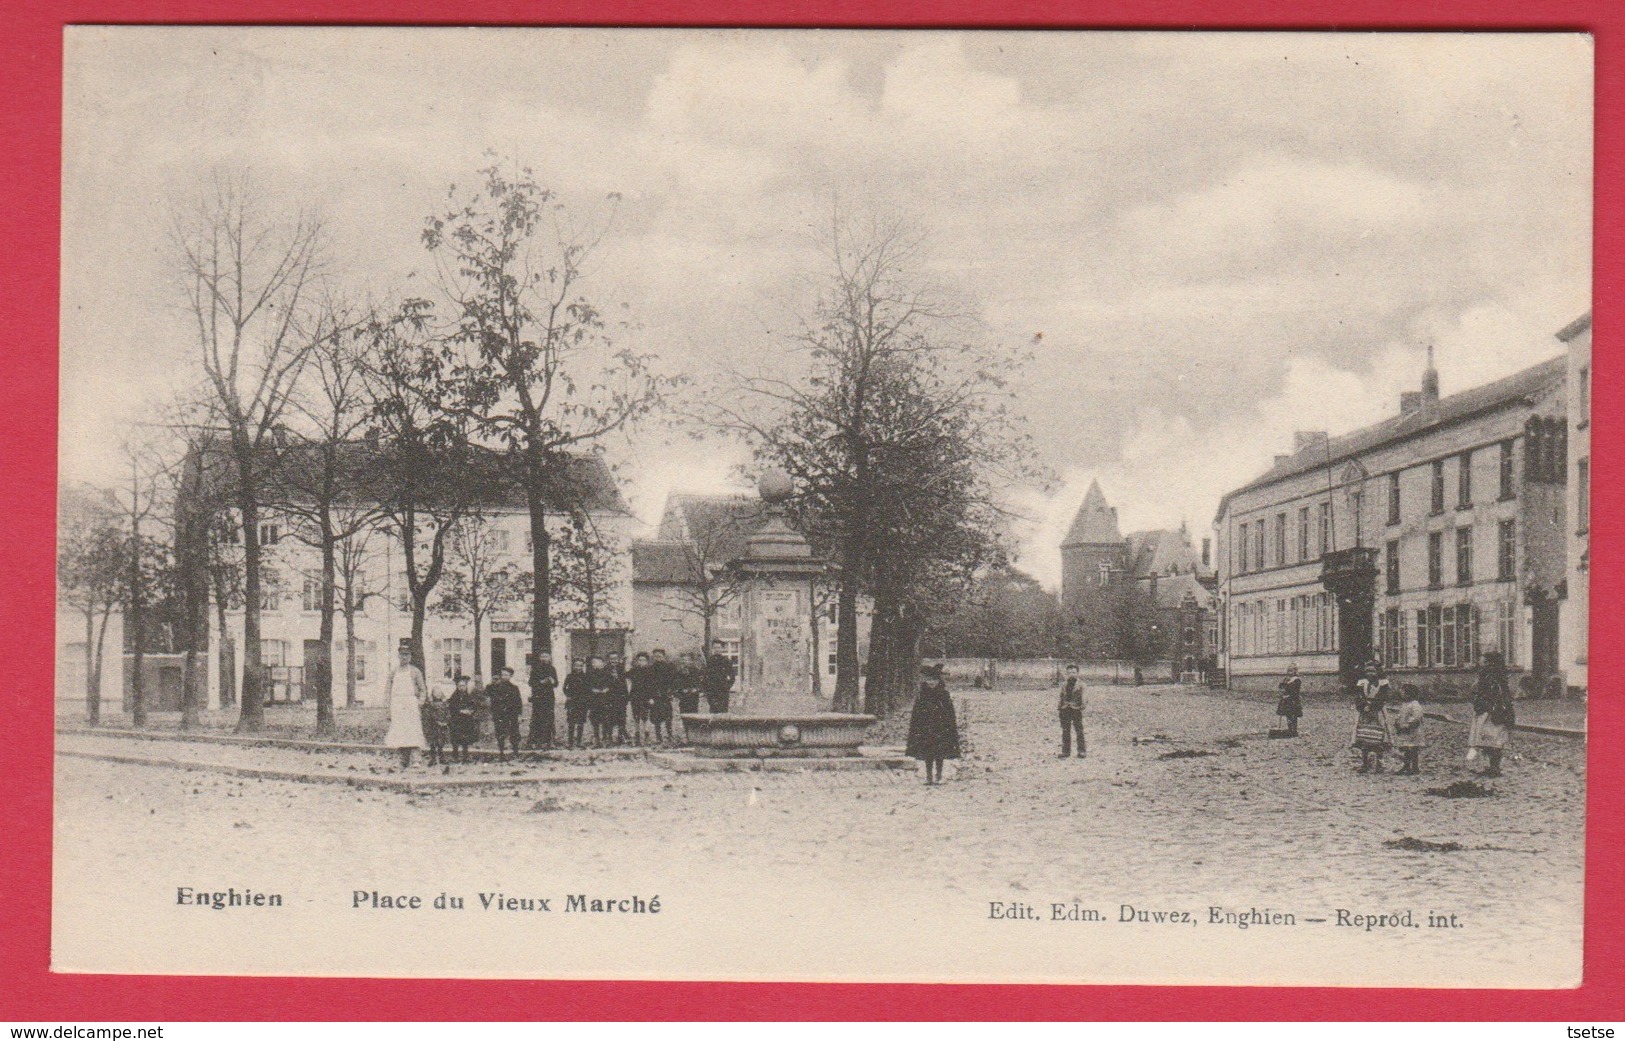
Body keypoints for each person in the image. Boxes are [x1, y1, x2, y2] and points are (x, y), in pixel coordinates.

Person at [906, 662, 961, 785]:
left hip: (940, 728)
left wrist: (949, 727)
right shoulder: (922, 695)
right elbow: (916, 713)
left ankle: (939, 774)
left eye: (934, 680)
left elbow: (949, 713)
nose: (931, 683)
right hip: (926, 728)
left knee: (940, 753)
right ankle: (929, 775)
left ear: (938, 681)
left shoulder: (944, 694)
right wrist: (917, 727)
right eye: (929, 680)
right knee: (928, 753)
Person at [1470, 651, 1515, 778]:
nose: (1481, 664)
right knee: (1486, 741)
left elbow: (1500, 697)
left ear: (1491, 664)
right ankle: (1490, 767)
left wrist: (1493, 709)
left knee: (1494, 741)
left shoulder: (1495, 679)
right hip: (1485, 712)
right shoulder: (1485, 676)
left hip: (1493, 713)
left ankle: (1495, 767)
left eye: (1484, 662)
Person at [383, 644, 427, 768]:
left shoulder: (415, 671)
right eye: (402, 654)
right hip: (397, 704)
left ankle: (416, 759)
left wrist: (420, 702)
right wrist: (388, 706)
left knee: (413, 730)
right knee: (400, 732)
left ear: (410, 656)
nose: (404, 657)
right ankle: (402, 760)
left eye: (407, 654)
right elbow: (388, 690)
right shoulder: (394, 672)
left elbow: (423, 690)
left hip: (411, 704)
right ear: (398, 655)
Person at [1350, 660, 1393, 774]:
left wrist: (1372, 706)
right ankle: (1364, 762)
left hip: (1377, 711)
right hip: (1364, 712)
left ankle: (1379, 762)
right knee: (1364, 736)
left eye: (1373, 671)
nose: (1370, 673)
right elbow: (1358, 695)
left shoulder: (1383, 683)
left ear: (1378, 671)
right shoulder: (1361, 682)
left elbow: (1383, 697)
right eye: (1367, 671)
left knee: (1378, 737)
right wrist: (1363, 705)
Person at [486, 666, 524, 762]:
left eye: (506, 675)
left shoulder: (514, 688)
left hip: (512, 714)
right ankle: (501, 753)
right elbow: (487, 693)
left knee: (514, 733)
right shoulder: (495, 686)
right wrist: (491, 683)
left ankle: (515, 751)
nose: (504, 677)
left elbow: (518, 702)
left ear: (510, 676)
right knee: (500, 733)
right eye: (502, 675)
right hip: (499, 714)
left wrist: (519, 714)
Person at [526, 652, 558, 749]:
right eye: (543, 656)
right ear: (540, 658)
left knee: (549, 718)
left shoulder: (552, 669)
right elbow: (531, 682)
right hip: (538, 697)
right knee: (537, 718)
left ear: (550, 657)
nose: (545, 658)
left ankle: (548, 741)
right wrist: (541, 682)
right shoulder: (535, 669)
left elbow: (556, 683)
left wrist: (553, 681)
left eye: (547, 656)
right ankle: (535, 741)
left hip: (549, 697)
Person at [1390, 694, 1427, 775]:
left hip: (1413, 730)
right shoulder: (1405, 704)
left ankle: (1414, 767)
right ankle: (1406, 766)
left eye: (1404, 692)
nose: (1403, 694)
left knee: (1413, 749)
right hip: (1405, 730)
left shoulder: (1415, 704)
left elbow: (1416, 717)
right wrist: (1397, 722)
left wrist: (1408, 725)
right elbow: (1400, 715)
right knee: (1406, 748)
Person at [446, 674, 480, 764]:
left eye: (463, 686)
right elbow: (451, 707)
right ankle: (455, 756)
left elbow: (474, 705)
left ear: (466, 686)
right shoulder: (454, 696)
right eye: (460, 686)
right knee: (455, 739)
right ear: (457, 686)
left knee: (465, 739)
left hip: (466, 721)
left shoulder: (468, 696)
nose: (461, 688)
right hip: (456, 721)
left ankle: (465, 756)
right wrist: (460, 711)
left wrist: (471, 711)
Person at [625, 652, 657, 747]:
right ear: (637, 661)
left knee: (645, 716)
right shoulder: (634, 670)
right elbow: (625, 675)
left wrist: (652, 697)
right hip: (635, 697)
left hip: (646, 697)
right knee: (636, 716)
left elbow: (653, 686)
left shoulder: (651, 671)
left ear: (647, 661)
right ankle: (637, 735)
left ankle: (647, 736)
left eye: (643, 660)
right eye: (639, 660)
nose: (641, 662)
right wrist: (625, 663)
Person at [585, 655, 618, 747]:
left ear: (603, 664)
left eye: (600, 662)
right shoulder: (589, 674)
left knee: (606, 719)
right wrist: (592, 690)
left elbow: (613, 685)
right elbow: (586, 686)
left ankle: (606, 739)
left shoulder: (607, 674)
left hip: (605, 699)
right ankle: (597, 739)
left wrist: (607, 689)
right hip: (594, 700)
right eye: (595, 662)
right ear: (592, 665)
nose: (598, 664)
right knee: (595, 720)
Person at [1057, 663, 1086, 758]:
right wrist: (1060, 708)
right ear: (1066, 674)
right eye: (1069, 673)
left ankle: (1081, 751)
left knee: (1079, 731)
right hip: (1065, 709)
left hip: (1076, 710)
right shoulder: (1064, 684)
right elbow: (1061, 697)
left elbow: (1084, 698)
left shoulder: (1081, 685)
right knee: (1065, 731)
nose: (1071, 674)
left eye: (1074, 672)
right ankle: (1066, 751)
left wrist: (1081, 707)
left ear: (1078, 673)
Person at [648, 649, 676, 744]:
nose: (657, 658)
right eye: (655, 656)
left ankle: (670, 736)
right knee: (656, 718)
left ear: (663, 657)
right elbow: (649, 684)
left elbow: (672, 681)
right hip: (655, 696)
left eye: (659, 656)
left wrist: (670, 692)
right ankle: (658, 737)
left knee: (668, 716)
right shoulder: (651, 669)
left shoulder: (669, 668)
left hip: (665, 696)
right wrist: (650, 697)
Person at [703, 639, 736, 714]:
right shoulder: (709, 661)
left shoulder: (726, 661)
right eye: (715, 648)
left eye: (719, 647)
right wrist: (707, 690)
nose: (717, 650)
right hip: (712, 692)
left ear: (722, 648)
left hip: (723, 692)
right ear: (713, 649)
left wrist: (727, 686)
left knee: (723, 713)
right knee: (713, 713)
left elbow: (732, 677)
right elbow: (705, 677)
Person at [562, 658, 590, 748]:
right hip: (572, 702)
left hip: (582, 702)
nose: (578, 667)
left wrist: (586, 698)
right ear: (573, 666)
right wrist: (568, 695)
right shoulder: (569, 676)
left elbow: (588, 689)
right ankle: (570, 742)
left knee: (581, 722)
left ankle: (579, 741)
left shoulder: (585, 677)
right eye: (576, 665)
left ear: (583, 666)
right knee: (571, 722)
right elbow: (564, 687)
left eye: (581, 666)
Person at [422, 687, 450, 769]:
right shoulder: (430, 704)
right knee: (433, 743)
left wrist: (446, 721)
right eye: (435, 693)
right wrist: (437, 722)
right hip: (433, 726)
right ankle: (433, 759)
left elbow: (448, 713)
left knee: (441, 743)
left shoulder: (445, 704)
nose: (437, 695)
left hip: (442, 726)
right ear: (433, 694)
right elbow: (429, 715)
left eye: (439, 693)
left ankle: (441, 757)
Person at [1276, 664, 1304, 737]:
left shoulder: (1297, 680)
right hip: (1286, 700)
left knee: (1293, 715)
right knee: (1288, 715)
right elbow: (1281, 687)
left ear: (1295, 671)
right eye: (1288, 671)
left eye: (1291, 671)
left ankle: (1294, 730)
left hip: (1293, 700)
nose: (1289, 672)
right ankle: (1290, 729)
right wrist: (1284, 683)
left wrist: (1289, 695)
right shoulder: (1287, 679)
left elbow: (1295, 691)